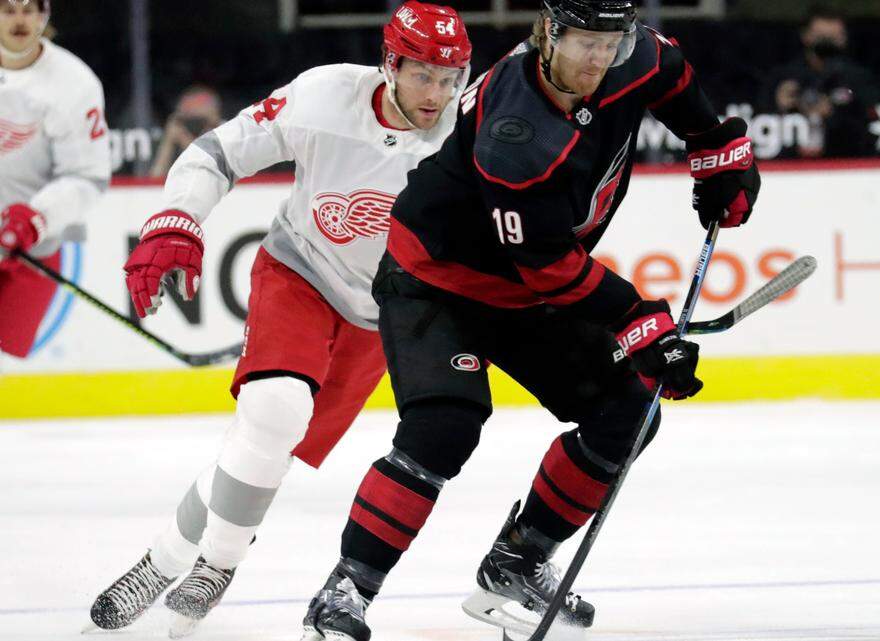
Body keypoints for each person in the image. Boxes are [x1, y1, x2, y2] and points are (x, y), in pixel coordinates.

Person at [299, 1, 761, 639]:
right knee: (444, 427)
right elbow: (547, 266)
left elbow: (674, 78)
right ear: (548, 33)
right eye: (583, 44)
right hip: (438, 282)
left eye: (611, 42)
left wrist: (716, 148)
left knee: (629, 411)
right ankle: (343, 594)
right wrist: (636, 319)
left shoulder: (635, 55)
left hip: (524, 292)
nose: (598, 59)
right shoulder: (516, 132)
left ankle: (516, 563)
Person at [87, 2, 471, 637]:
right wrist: (175, 217)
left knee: (265, 450)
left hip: (384, 310)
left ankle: (165, 558)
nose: (436, 93)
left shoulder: (470, 131)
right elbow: (218, 151)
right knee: (275, 413)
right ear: (389, 63)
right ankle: (220, 564)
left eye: (449, 77)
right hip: (300, 272)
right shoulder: (324, 96)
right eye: (422, 74)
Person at [0, 0, 109, 358]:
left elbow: (87, 177)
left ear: (43, 15)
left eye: (28, 9)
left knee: (9, 363)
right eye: (7, 9)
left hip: (32, 252)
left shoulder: (73, 83)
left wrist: (39, 217)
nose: (19, 19)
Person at [762, 5, 880, 159]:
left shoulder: (858, 79)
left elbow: (873, 131)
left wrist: (833, 114)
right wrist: (777, 108)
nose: (826, 44)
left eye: (833, 38)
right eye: (821, 37)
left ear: (844, 38)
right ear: (805, 36)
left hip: (847, 164)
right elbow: (757, 129)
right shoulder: (783, 77)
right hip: (791, 163)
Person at [149, 85, 225, 177]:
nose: (195, 125)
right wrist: (168, 142)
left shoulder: (227, 133)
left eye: (201, 121)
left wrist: (186, 142)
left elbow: (216, 173)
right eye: (190, 120)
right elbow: (155, 179)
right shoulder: (176, 139)